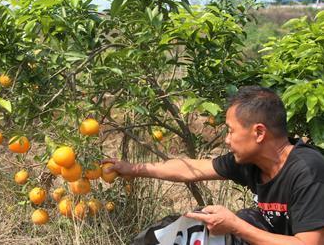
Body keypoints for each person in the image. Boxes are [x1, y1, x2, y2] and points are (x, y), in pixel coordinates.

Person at [103, 86, 324, 245]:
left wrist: (236, 226)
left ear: (258, 132)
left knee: (242, 222)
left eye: (231, 130)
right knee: (193, 227)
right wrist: (133, 169)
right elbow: (190, 168)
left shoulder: (307, 170)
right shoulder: (251, 161)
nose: (227, 140)